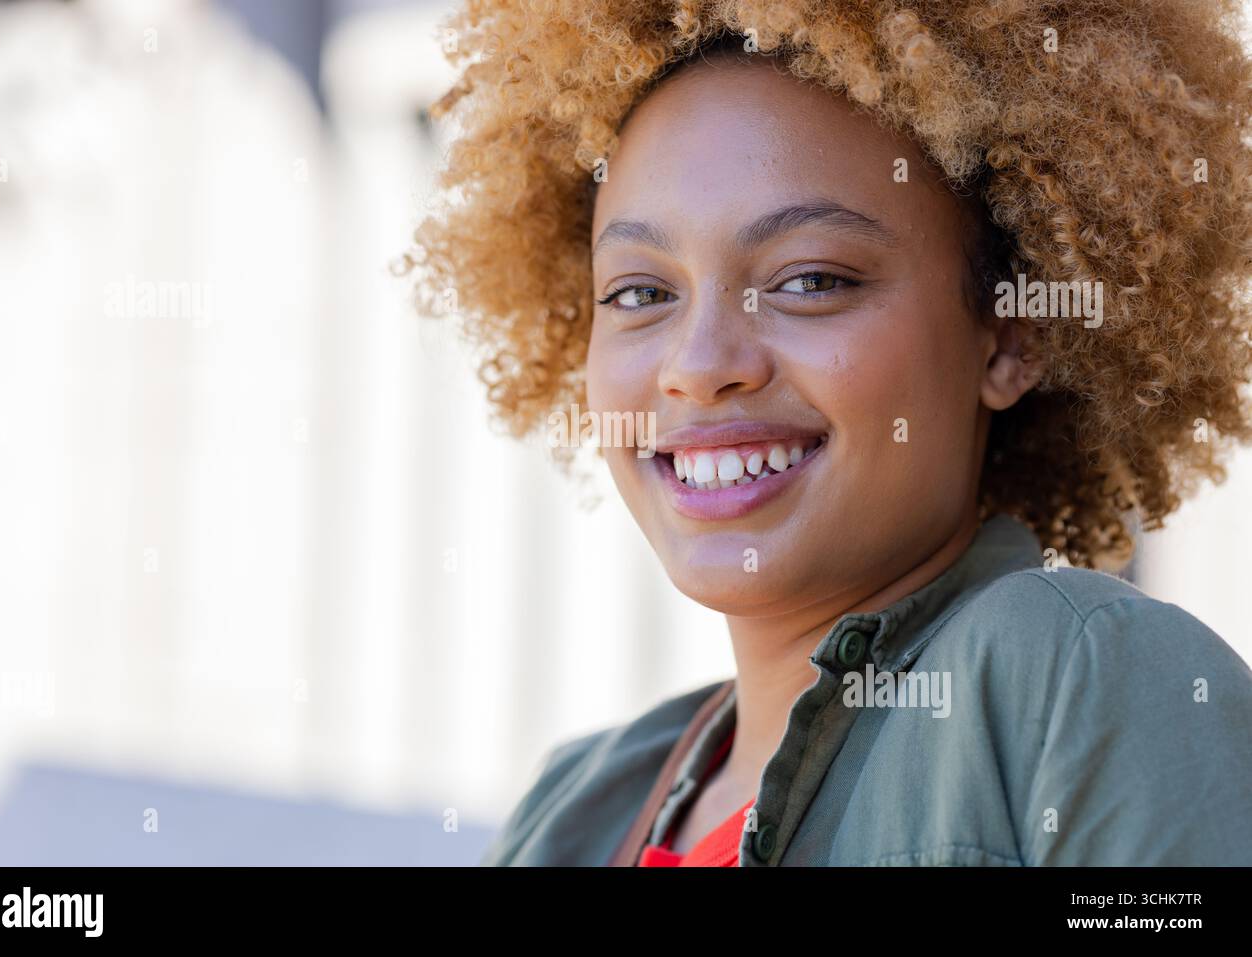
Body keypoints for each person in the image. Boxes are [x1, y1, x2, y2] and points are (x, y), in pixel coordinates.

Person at [407, 0, 1252, 866]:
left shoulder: (1081, 681)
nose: (699, 364)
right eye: (638, 293)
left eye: (810, 280)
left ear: (1011, 333)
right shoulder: (572, 807)